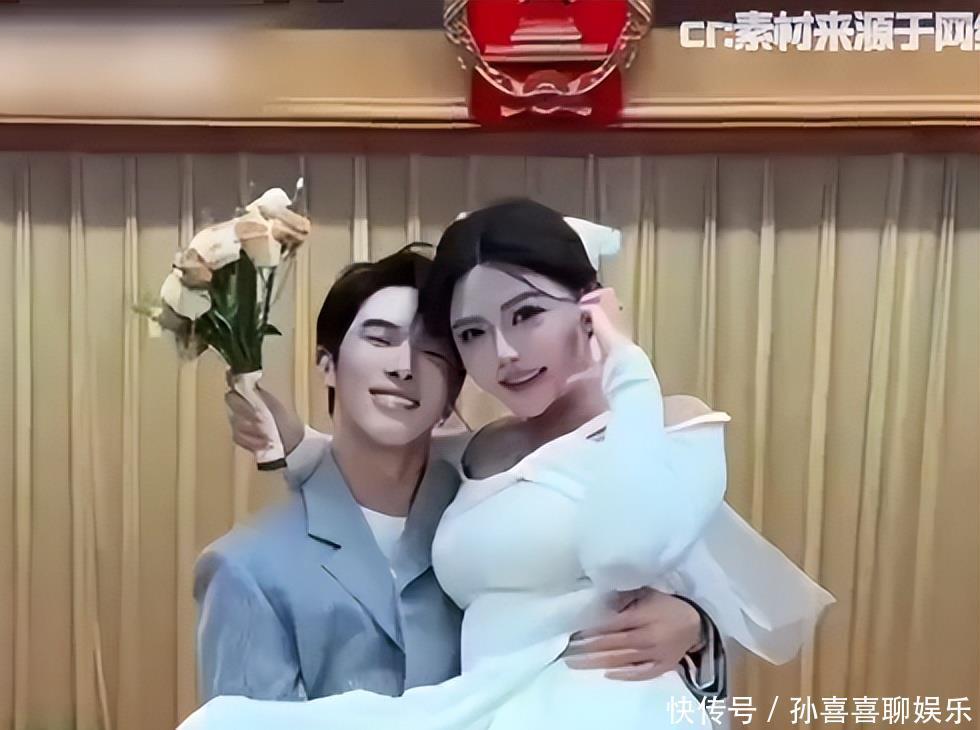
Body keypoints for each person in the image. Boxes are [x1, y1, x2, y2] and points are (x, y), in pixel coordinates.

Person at [182, 201, 831, 730]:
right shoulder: (481, 453)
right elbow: (389, 456)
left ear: (590, 306)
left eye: (526, 315)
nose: (506, 353)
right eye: (472, 333)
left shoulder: (661, 426)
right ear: (328, 363)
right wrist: (298, 443)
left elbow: (649, 557)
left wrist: (696, 626)